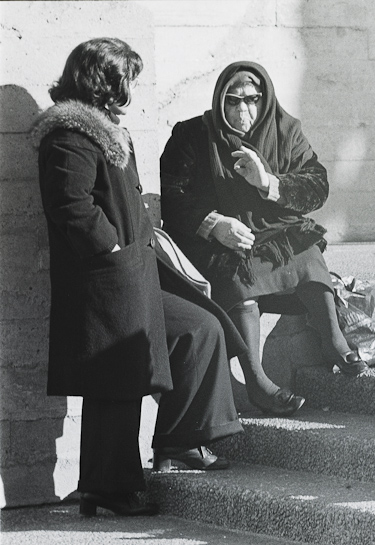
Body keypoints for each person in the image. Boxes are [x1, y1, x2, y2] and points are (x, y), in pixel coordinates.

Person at [33, 38, 247, 517]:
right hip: (107, 279)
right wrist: (110, 246)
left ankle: (181, 441)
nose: (133, 87)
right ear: (104, 81)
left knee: (200, 327)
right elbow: (71, 204)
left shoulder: (102, 130)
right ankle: (107, 491)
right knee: (117, 381)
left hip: (134, 272)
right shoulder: (70, 135)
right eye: (127, 77)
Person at [160, 61, 368, 418]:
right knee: (239, 274)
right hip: (223, 243)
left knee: (305, 251)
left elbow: (317, 187)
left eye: (252, 100)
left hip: (275, 234)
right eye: (233, 101)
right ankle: (256, 381)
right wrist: (214, 224)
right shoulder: (193, 135)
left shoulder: (286, 130)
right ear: (219, 102)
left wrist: (269, 183)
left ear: (265, 98)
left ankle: (334, 339)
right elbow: (173, 194)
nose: (244, 110)